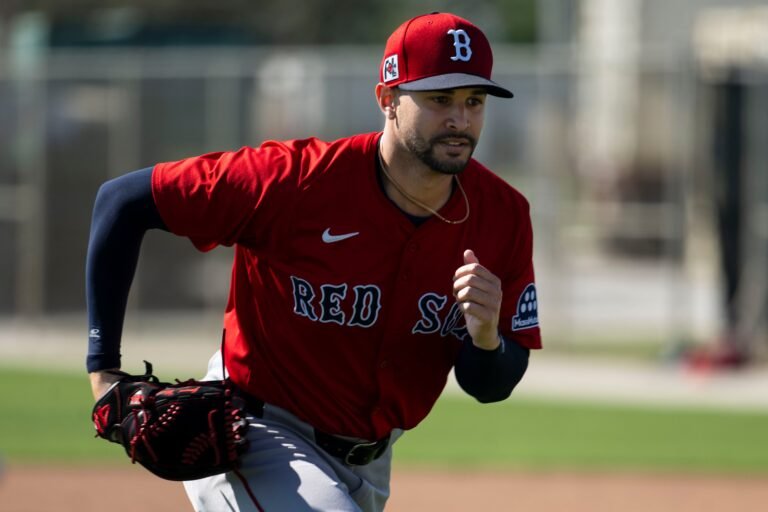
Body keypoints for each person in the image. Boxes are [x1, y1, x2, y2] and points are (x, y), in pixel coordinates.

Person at [86, 12, 541, 512]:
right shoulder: (294, 181)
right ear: (387, 99)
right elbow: (122, 201)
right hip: (258, 431)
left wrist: (486, 339)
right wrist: (103, 371)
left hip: (371, 462)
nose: (460, 119)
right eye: (439, 100)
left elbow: (489, 386)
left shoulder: (504, 216)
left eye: (473, 101)